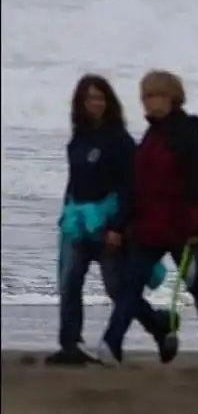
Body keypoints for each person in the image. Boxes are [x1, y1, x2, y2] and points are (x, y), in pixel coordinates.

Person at [98, 69, 198, 368]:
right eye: (146, 96)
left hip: (181, 230)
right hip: (147, 228)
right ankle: (111, 343)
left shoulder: (185, 135)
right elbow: (136, 186)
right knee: (130, 285)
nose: (150, 102)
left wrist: (196, 227)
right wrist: (119, 225)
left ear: (173, 98)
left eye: (157, 95)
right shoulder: (151, 136)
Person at [46, 74, 172, 366]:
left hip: (108, 223)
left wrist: (118, 226)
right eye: (90, 98)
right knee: (69, 281)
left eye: (100, 97)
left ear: (109, 102)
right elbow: (75, 181)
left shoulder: (120, 140)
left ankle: (159, 325)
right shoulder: (77, 140)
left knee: (116, 288)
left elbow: (131, 186)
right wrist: (66, 212)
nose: (95, 103)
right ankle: (70, 345)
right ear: (80, 102)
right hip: (77, 222)